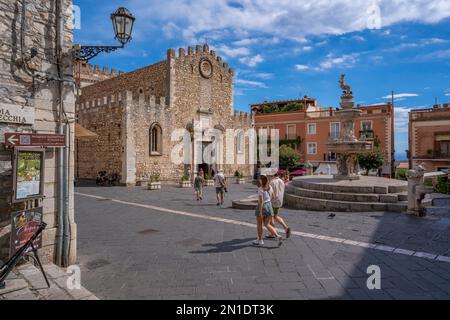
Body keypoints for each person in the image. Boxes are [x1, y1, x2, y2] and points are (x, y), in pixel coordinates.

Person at [253, 175, 283, 246]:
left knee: (259, 224)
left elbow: (261, 201)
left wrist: (260, 211)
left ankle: (260, 240)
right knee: (267, 224)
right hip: (269, 205)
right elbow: (273, 196)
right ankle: (277, 236)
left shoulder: (260, 189)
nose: (259, 180)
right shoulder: (270, 187)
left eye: (260, 179)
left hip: (263, 206)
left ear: (262, 180)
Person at [268, 173, 291, 239]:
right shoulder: (281, 181)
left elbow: (270, 193)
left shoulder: (272, 182)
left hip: (272, 202)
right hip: (279, 202)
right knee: (275, 216)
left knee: (270, 218)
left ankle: (273, 234)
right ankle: (286, 228)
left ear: (272, 175)